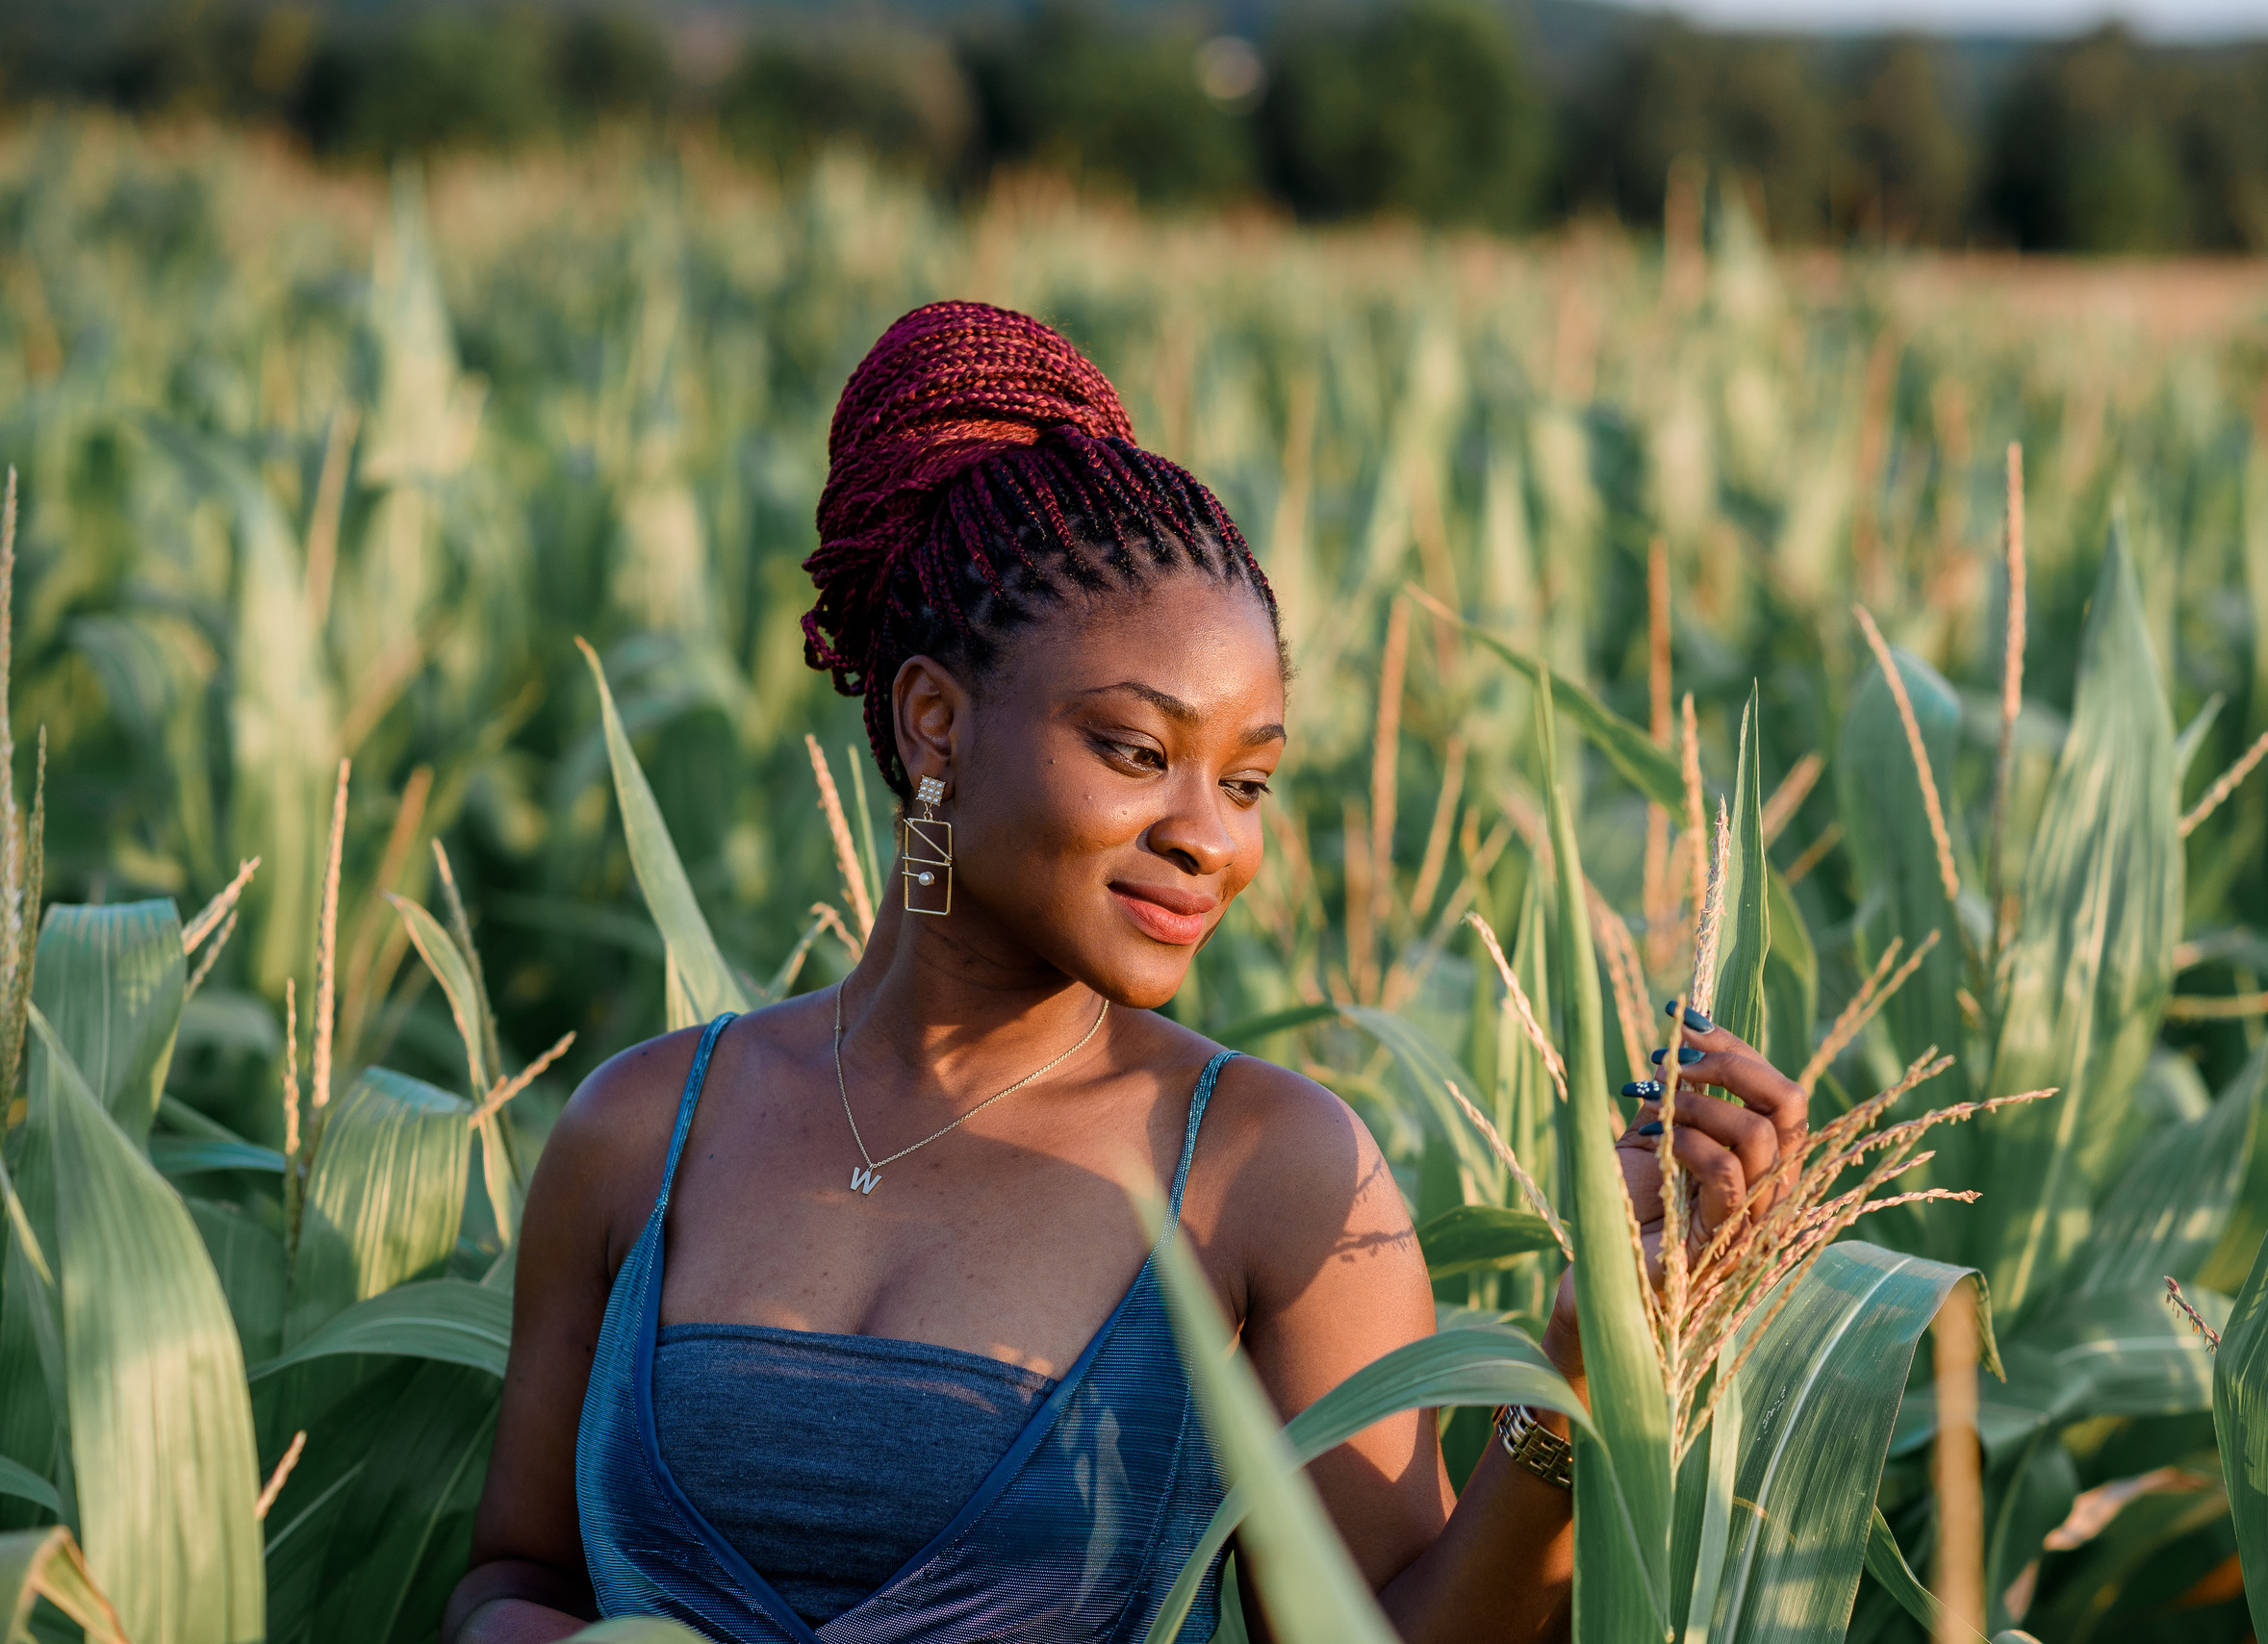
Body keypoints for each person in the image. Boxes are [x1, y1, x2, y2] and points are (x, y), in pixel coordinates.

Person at [442, 301, 1807, 1644]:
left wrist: (1582, 1361)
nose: (1210, 837)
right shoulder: (634, 1135)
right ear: (934, 722)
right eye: (1138, 751)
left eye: (1251, 777)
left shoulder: (1274, 1175)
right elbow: (514, 1574)